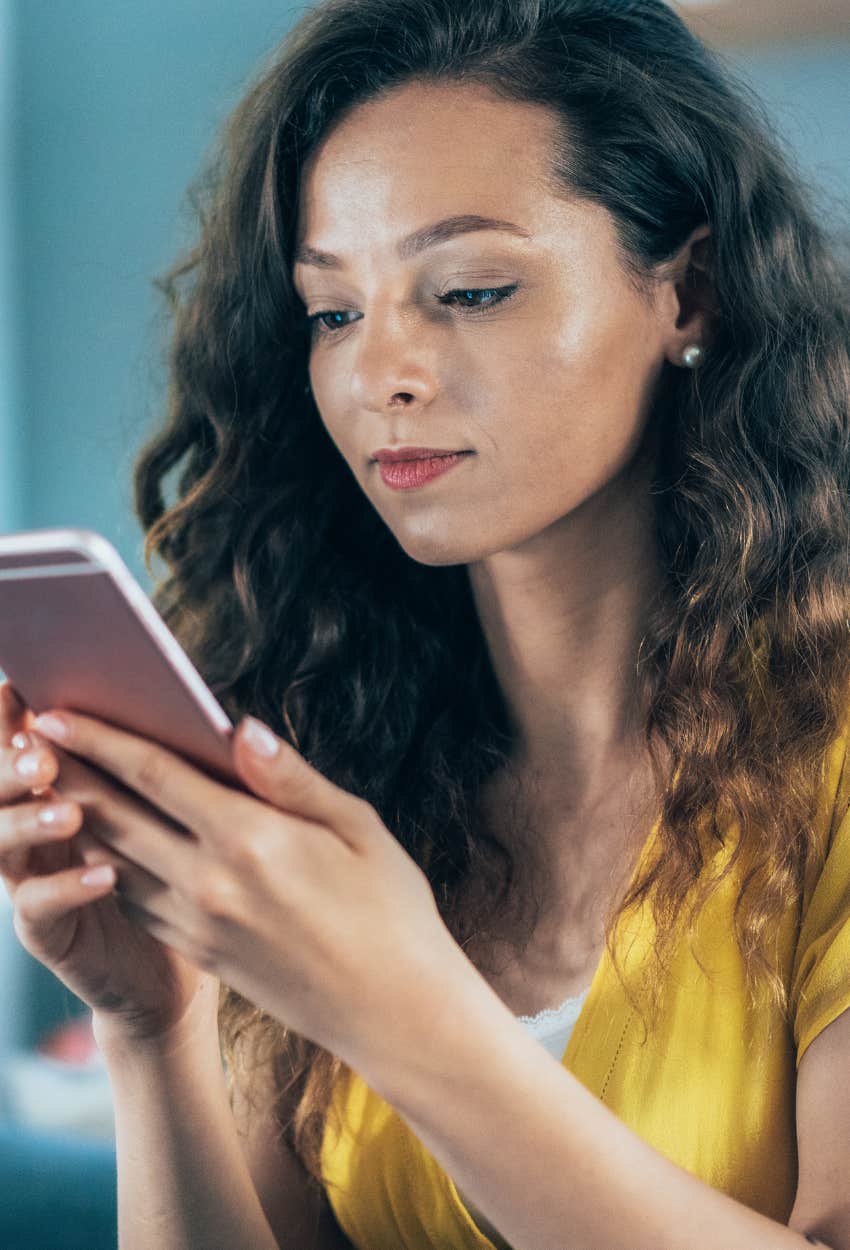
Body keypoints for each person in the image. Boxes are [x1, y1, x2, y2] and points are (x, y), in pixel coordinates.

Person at [2, 0, 849, 1247]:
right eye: (333, 313)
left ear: (690, 292)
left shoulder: (824, 756)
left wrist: (400, 1007)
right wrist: (156, 1024)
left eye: (470, 288)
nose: (378, 373)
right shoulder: (349, 748)